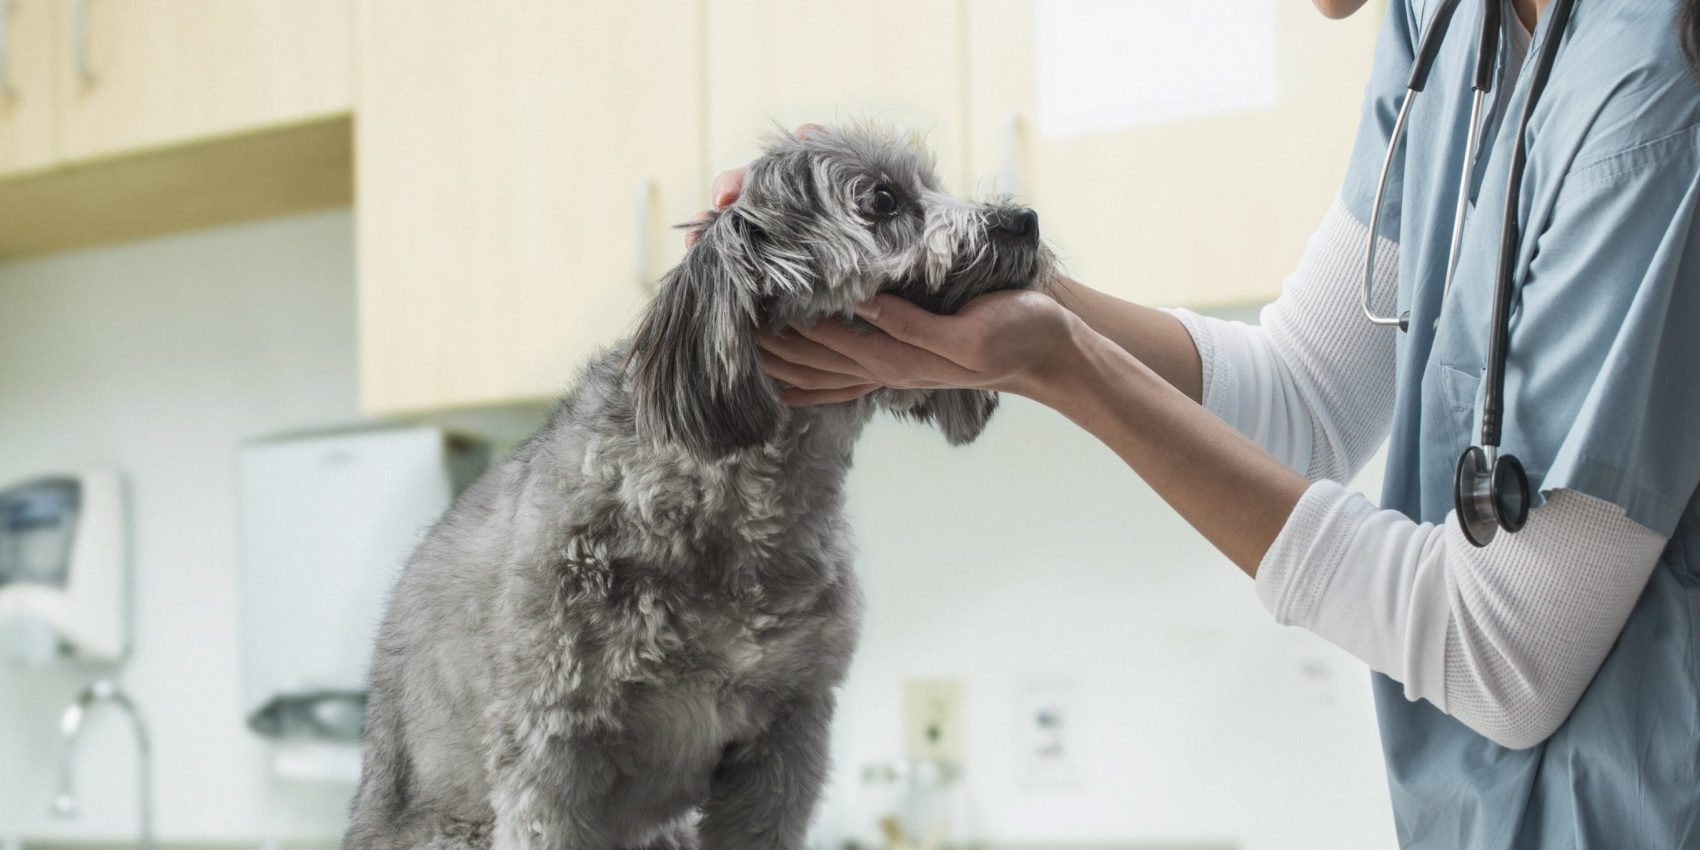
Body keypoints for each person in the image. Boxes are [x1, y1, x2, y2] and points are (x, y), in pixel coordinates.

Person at [696, 0, 1700, 846]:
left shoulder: (1655, 92)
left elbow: (1501, 652)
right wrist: (963, 267)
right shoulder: (1444, 22)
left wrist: (1064, 367)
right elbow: (1305, 394)